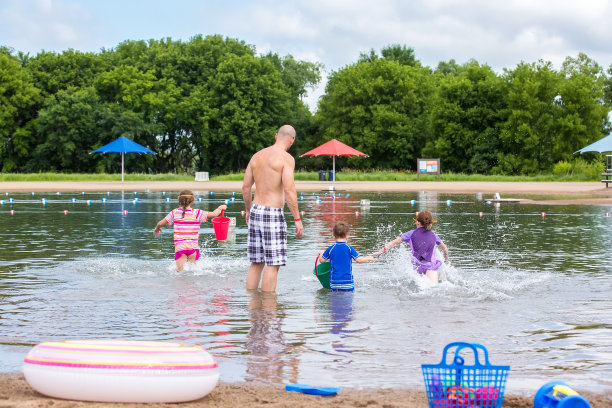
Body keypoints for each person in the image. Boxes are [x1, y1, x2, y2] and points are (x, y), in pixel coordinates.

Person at [242, 125, 303, 292]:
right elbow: (289, 190)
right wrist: (297, 219)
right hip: (272, 213)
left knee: (256, 262)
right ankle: (269, 310)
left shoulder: (257, 156)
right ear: (292, 140)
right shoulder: (286, 159)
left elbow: (246, 188)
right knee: (273, 264)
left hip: (256, 210)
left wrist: (248, 210)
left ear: (276, 136)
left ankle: (253, 306)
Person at [153, 190, 226, 272]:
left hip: (180, 248)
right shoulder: (197, 213)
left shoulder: (174, 213)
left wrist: (157, 228)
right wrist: (220, 208)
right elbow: (214, 214)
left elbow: (160, 223)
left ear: (179, 200)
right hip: (193, 248)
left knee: (180, 273)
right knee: (193, 272)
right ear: (192, 201)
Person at [373, 210, 448, 284]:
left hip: (418, 267)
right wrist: (446, 257)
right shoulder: (434, 235)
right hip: (431, 266)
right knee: (434, 288)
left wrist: (381, 251)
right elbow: (444, 248)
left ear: (418, 222)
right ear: (431, 223)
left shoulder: (411, 234)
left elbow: (393, 243)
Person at [318, 221, 375, 291]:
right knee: (347, 301)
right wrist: (368, 258)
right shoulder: (349, 248)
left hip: (334, 282)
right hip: (347, 282)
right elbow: (359, 260)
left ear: (333, 236)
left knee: (335, 300)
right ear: (347, 236)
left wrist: (321, 253)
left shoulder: (330, 249)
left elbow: (321, 260)